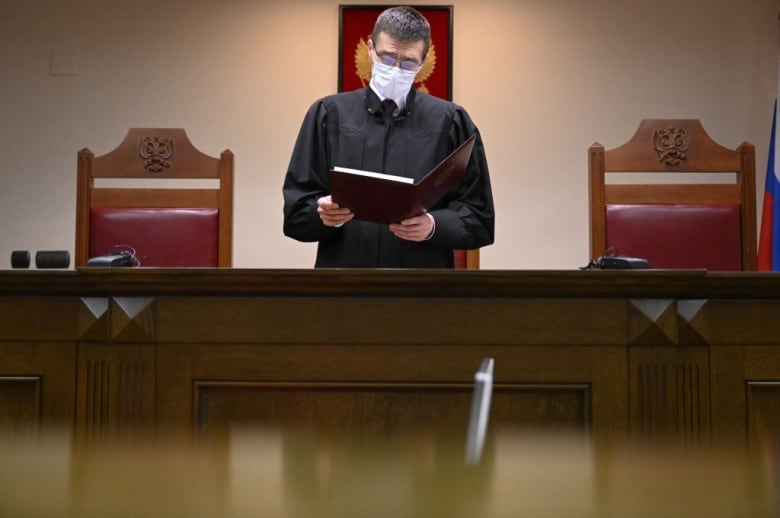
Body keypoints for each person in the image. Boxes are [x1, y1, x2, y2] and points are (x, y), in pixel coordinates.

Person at [282, 5, 494, 268]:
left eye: (408, 63)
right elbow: (295, 215)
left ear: (424, 61)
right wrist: (323, 213)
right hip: (345, 282)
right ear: (370, 48)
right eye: (386, 57)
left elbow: (479, 218)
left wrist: (434, 225)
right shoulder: (328, 115)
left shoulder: (451, 121)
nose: (395, 69)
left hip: (423, 286)